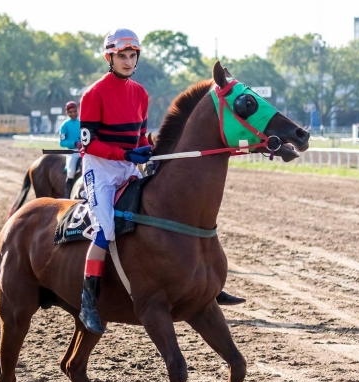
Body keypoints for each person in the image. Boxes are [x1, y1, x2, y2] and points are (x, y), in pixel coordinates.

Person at [77, 29, 244, 334]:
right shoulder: (93, 94)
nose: (128, 61)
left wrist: (143, 147)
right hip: (100, 170)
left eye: (132, 56)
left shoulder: (140, 93)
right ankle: (88, 300)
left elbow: (140, 132)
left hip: (127, 165)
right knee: (106, 228)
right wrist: (125, 152)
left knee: (166, 209)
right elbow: (89, 145)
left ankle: (206, 288)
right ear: (109, 58)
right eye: (122, 56)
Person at [59, 100, 82, 198]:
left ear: (78, 110)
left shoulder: (82, 122)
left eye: (74, 111)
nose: (73, 114)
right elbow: (62, 142)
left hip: (84, 151)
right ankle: (67, 195)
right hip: (72, 152)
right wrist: (75, 143)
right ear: (67, 112)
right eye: (70, 112)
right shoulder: (65, 125)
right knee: (71, 172)